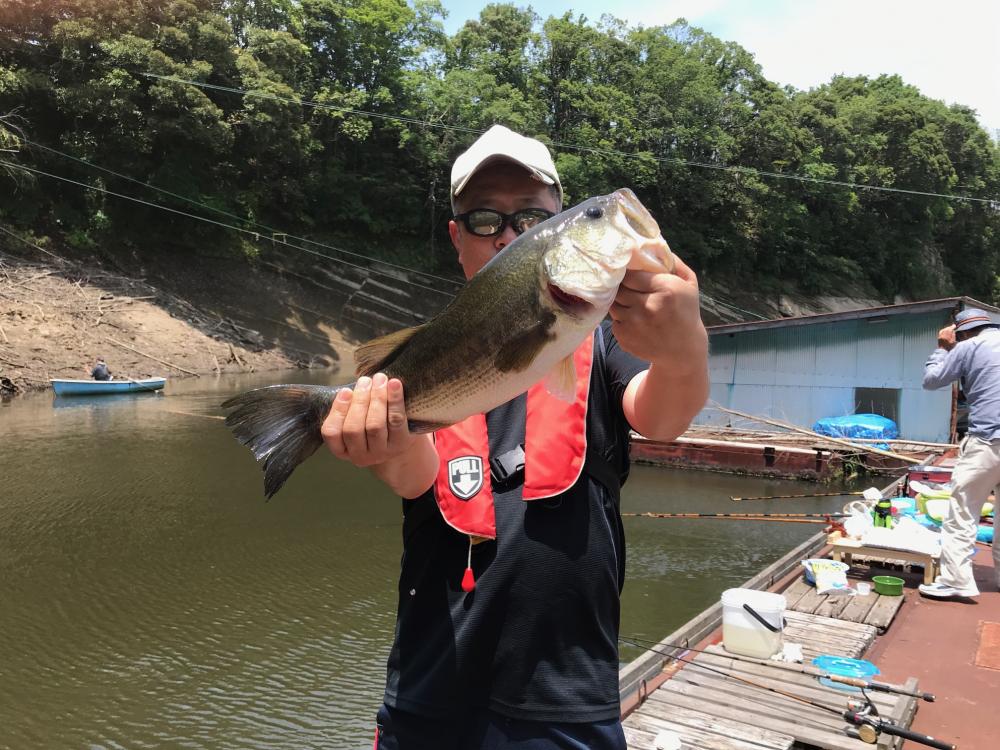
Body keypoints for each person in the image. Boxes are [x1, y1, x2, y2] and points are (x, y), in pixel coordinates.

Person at [321, 125, 709, 749]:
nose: (508, 233)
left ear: (555, 221)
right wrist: (381, 444)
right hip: (430, 690)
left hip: (566, 694)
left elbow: (662, 417)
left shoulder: (605, 337)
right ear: (456, 237)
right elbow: (415, 475)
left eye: (530, 216)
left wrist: (687, 352)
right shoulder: (428, 353)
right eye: (484, 219)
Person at [920, 307, 1000, 598]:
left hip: (988, 440)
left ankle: (956, 581)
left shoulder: (967, 346)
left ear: (961, 332)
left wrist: (942, 349)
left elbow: (932, 381)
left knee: (963, 510)